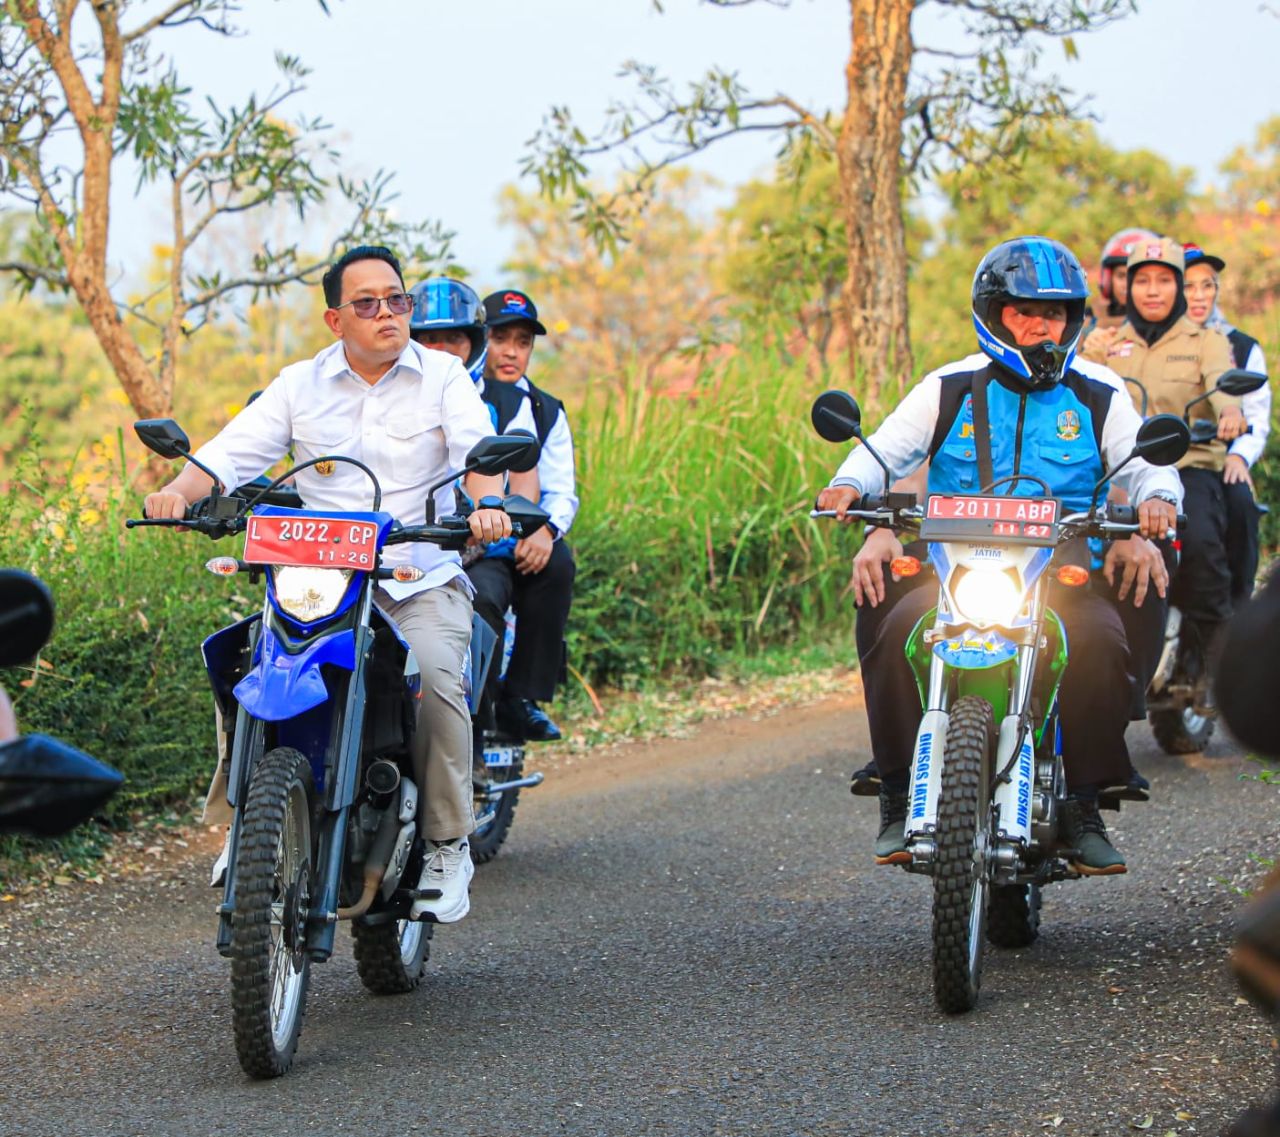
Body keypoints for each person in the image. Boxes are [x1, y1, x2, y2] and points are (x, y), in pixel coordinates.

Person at [144, 245, 513, 924]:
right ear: (335, 319)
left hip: (414, 575)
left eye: (396, 299)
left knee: (435, 674)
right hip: (318, 581)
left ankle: (446, 841)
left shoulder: (443, 377)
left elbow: (478, 453)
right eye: (367, 303)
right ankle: (248, 824)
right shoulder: (299, 384)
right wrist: (177, 491)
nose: (387, 313)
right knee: (244, 661)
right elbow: (228, 454)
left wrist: (488, 502)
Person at [818, 236, 1181, 874]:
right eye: (1023, 312)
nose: (1042, 326)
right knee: (897, 626)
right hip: (954, 568)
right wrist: (850, 486)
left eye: (1055, 313)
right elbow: (885, 450)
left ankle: (1083, 804)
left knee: (1097, 641)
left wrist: (1155, 500)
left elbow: (1147, 464)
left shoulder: (1097, 391)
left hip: (1062, 571)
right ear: (993, 314)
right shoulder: (949, 386)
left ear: (1073, 319)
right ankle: (899, 791)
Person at [1081, 236, 1246, 710]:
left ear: (1178, 287)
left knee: (1200, 547)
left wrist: (1229, 411)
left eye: (1164, 281)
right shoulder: (1107, 342)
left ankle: (1206, 664)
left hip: (1187, 465)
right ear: (1127, 287)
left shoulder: (1206, 341)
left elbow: (1222, 385)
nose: (1153, 291)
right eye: (1143, 281)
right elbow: (1076, 389)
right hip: (1117, 474)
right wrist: (1088, 352)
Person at [463, 288, 579, 743]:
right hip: (472, 540)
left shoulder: (545, 410)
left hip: (522, 532)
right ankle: (476, 711)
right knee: (483, 594)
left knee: (558, 566)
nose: (511, 352)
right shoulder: (461, 398)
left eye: (523, 342)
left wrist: (546, 529)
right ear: (480, 339)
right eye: (500, 338)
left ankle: (522, 697)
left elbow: (561, 488)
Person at [1182, 243, 1271, 603]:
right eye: (1189, 286)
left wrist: (1239, 455)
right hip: (1164, 456)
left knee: (1241, 505)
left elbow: (1257, 416)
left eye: (1208, 285)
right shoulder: (1147, 343)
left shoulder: (1242, 347)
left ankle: (1239, 604)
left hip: (1219, 458)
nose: (1199, 295)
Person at [1084, 227, 1159, 353]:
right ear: (1108, 279)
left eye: (1138, 278)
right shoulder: (1084, 319)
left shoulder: (1169, 324)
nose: (1127, 284)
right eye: (1121, 276)